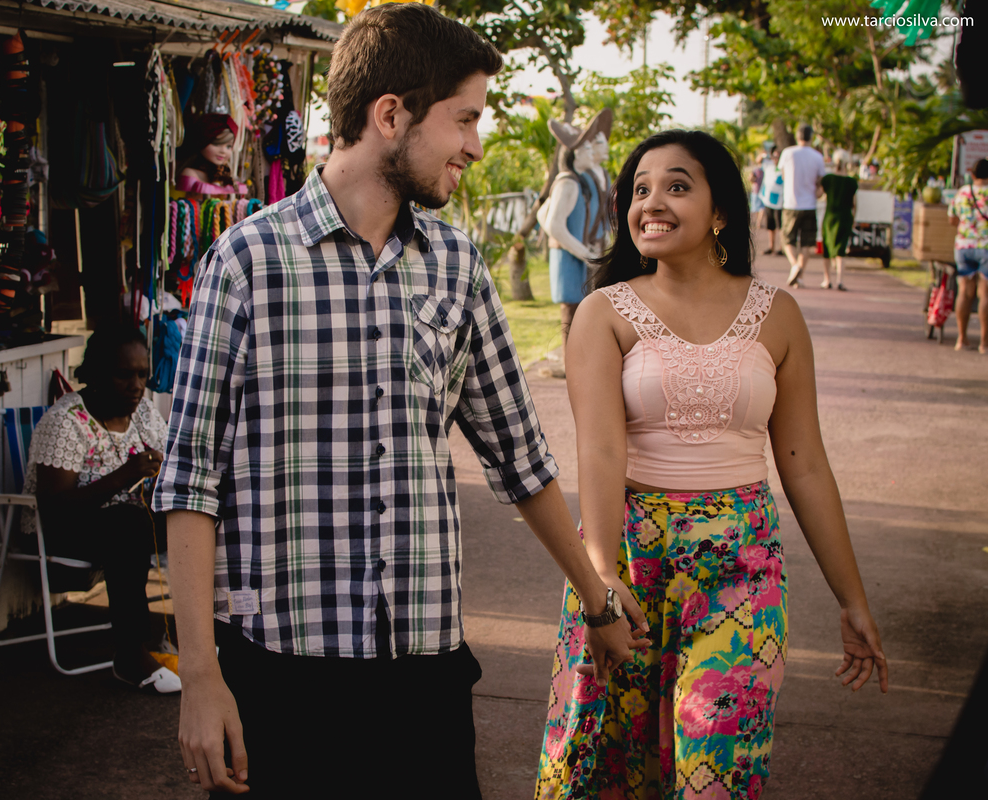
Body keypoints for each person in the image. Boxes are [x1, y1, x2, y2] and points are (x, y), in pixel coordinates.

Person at [152, 4, 645, 797]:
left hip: (424, 675)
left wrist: (597, 596)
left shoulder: (456, 266)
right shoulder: (245, 263)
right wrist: (201, 679)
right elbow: (189, 481)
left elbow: (518, 456)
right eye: (465, 120)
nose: (476, 147)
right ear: (391, 114)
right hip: (278, 676)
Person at [535, 130, 888, 799]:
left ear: (719, 210)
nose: (651, 202)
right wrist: (602, 577)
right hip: (630, 559)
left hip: (742, 569)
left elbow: (805, 463)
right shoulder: (604, 313)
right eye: (639, 189)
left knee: (716, 775)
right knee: (609, 765)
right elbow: (603, 450)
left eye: (675, 185)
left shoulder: (777, 314)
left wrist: (853, 598)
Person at [24, 325, 178, 693]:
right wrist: (126, 474)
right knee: (127, 524)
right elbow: (55, 507)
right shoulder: (65, 422)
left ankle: (191, 634)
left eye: (142, 374)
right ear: (94, 375)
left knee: (197, 517)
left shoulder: (142, 414)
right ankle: (130, 655)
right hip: (64, 533)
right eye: (124, 375)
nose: (137, 385)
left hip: (129, 526)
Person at [540, 110, 614, 361]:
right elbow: (552, 222)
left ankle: (578, 359)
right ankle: (571, 361)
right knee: (570, 309)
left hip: (584, 252)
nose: (589, 153)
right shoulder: (568, 182)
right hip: (571, 255)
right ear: (572, 155)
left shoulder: (584, 180)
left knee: (583, 308)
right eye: (583, 150)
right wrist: (584, 252)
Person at [948, 158, 988, 352]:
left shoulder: (963, 192)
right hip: (987, 248)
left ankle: (961, 339)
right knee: (985, 294)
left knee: (964, 291)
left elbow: (952, 219)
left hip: (963, 246)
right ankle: (984, 343)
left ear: (972, 174)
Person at [778, 124, 826, 287]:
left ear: (797, 136)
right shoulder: (817, 157)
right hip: (810, 204)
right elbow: (820, 183)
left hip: (791, 203)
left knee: (787, 239)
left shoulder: (787, 153)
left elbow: (784, 176)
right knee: (806, 242)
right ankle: (800, 278)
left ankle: (794, 265)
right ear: (811, 137)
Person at [176, 114, 248, 197]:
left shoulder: (222, 176)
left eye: (228, 146)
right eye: (216, 144)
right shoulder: (190, 174)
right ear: (202, 142)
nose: (223, 151)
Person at [819, 149, 859, 290]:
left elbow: (819, 194)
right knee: (841, 249)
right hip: (845, 217)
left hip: (830, 217)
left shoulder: (828, 179)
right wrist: (854, 218)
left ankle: (827, 279)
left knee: (828, 249)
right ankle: (840, 280)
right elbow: (854, 204)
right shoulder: (851, 182)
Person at [756, 143, 783, 255]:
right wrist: (763, 155)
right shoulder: (768, 165)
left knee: (780, 226)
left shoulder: (783, 168)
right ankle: (771, 246)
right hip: (768, 200)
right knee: (770, 225)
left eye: (777, 157)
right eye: (774, 156)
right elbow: (758, 161)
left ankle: (782, 248)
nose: (775, 159)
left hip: (780, 202)